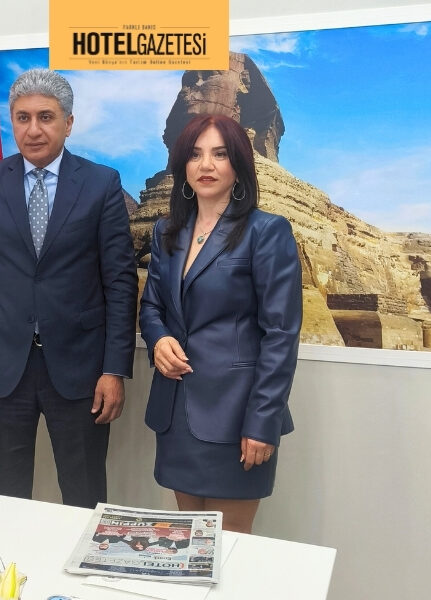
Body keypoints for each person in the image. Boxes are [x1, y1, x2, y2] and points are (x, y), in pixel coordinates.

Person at [0, 68, 138, 509]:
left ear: (68, 123)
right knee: (5, 501)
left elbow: (120, 283)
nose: (33, 130)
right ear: (12, 122)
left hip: (81, 369)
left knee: (84, 496)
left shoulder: (101, 184)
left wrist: (115, 370)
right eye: (22, 117)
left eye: (46, 117)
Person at [139, 114, 302, 533]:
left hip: (237, 418)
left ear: (238, 164)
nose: (206, 165)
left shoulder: (267, 232)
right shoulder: (166, 232)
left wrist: (263, 422)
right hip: (176, 414)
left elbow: (281, 336)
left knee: (230, 549)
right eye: (195, 155)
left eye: (219, 154)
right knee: (189, 545)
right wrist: (158, 341)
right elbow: (152, 307)